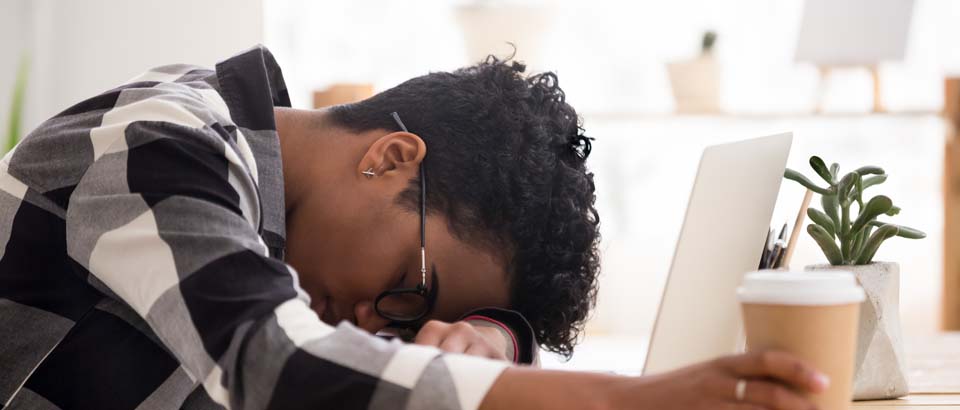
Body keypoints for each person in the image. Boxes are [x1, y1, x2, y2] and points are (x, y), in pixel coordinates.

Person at [0, 45, 828, 409]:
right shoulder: (161, 145)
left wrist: (489, 335)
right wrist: (619, 401)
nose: (376, 329)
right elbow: (274, 365)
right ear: (392, 157)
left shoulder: (265, 186)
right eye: (408, 291)